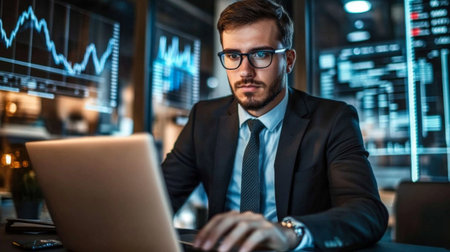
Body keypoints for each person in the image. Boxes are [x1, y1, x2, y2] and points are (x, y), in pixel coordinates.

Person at [162, 0, 388, 251]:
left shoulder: (333, 120)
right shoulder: (203, 118)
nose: (245, 71)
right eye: (233, 55)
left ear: (289, 60)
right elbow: (158, 200)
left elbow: (367, 212)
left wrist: (290, 233)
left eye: (261, 54)